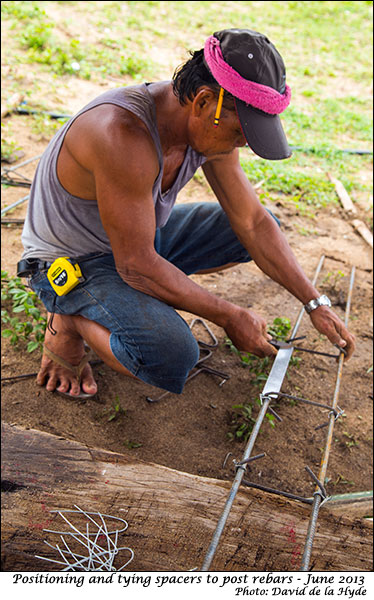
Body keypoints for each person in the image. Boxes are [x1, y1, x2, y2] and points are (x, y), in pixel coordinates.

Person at [18, 28, 355, 399]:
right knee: (171, 354)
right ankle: (71, 320)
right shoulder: (122, 134)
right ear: (203, 101)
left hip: (135, 238)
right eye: (240, 132)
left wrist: (314, 302)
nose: (243, 143)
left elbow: (252, 222)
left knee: (256, 226)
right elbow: (135, 265)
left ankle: (120, 301)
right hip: (73, 260)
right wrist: (229, 315)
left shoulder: (208, 126)